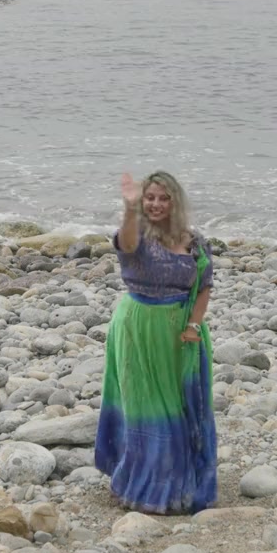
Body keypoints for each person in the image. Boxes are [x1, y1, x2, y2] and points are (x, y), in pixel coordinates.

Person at [95, 171, 217, 515]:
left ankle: (181, 485)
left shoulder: (195, 241)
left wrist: (194, 324)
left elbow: (205, 286)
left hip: (182, 332)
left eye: (164, 198)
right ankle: (144, 485)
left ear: (175, 202)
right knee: (145, 405)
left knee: (183, 406)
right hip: (139, 327)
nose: (156, 204)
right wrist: (130, 208)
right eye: (150, 198)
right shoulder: (137, 235)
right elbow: (125, 244)